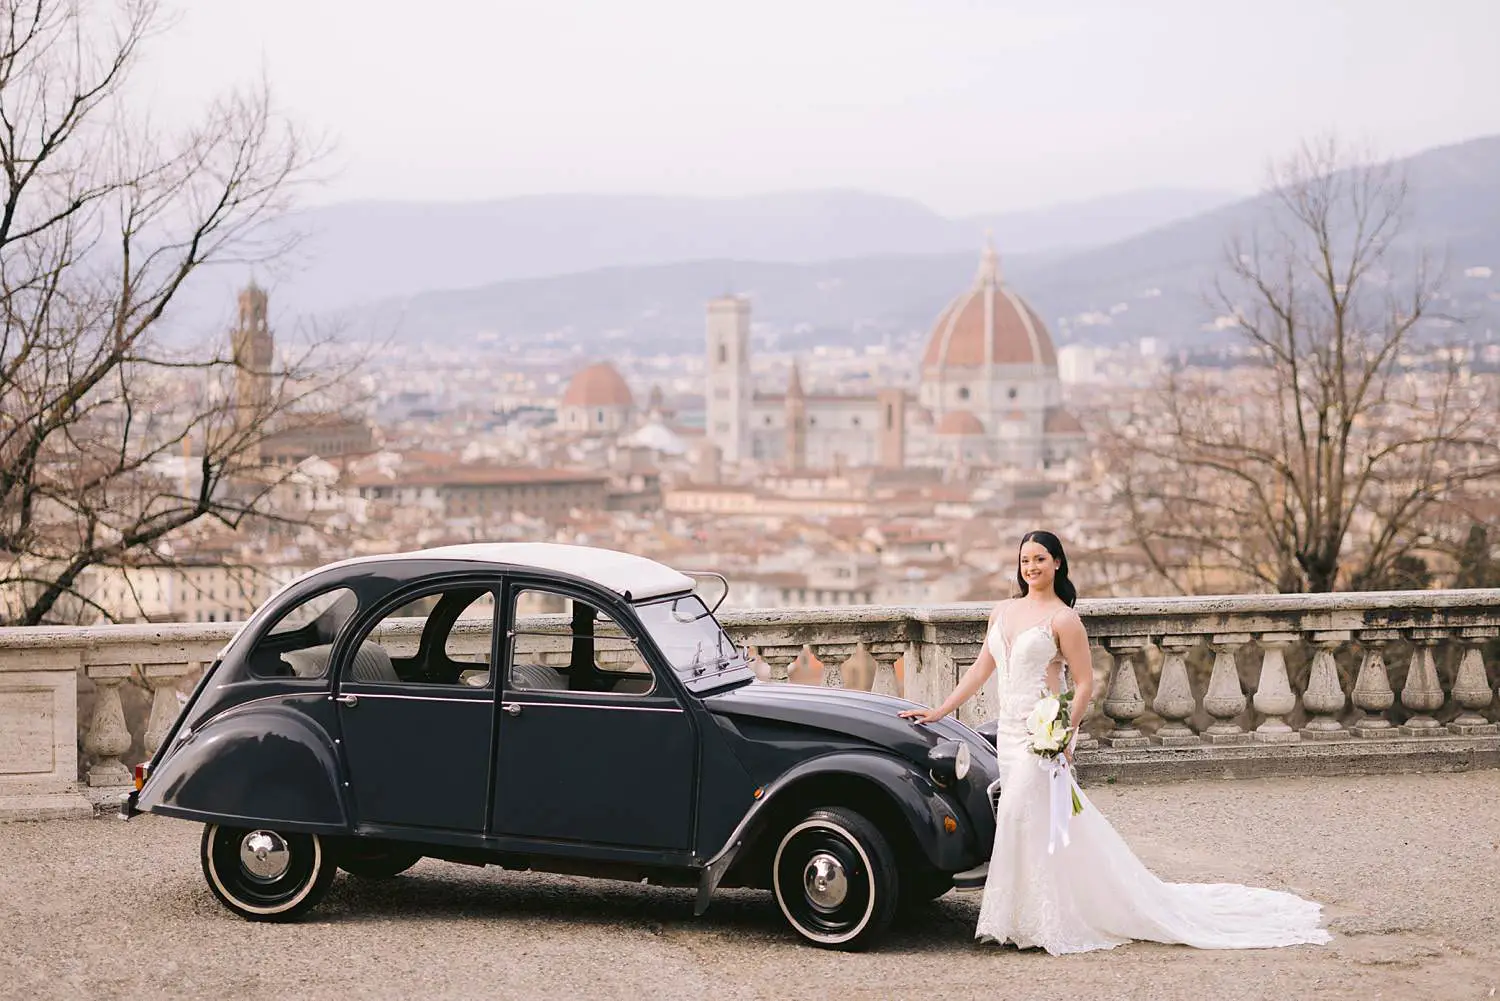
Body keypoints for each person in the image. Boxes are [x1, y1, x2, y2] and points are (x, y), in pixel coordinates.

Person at [899, 530, 1332, 955]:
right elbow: (979, 671)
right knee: (1033, 822)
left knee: (1017, 816)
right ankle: (1018, 919)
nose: (1031, 567)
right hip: (1008, 734)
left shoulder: (1064, 619)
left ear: (1057, 564)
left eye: (1040, 559)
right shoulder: (1002, 611)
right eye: (1025, 560)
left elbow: (1084, 683)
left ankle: (1042, 921)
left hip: (1040, 734)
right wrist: (938, 711)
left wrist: (1065, 733)